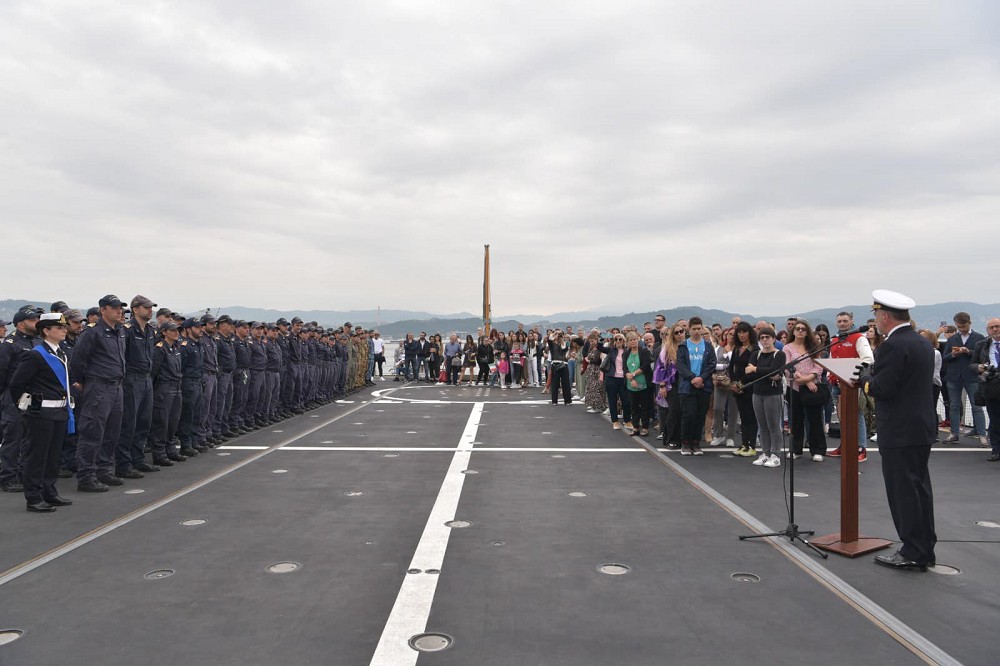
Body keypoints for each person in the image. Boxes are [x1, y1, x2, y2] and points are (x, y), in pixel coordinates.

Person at [857, 290, 936, 571]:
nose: (876, 321)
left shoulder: (892, 345)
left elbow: (883, 389)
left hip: (900, 429)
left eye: (877, 315)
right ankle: (924, 547)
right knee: (919, 489)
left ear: (886, 316)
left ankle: (912, 550)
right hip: (920, 426)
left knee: (903, 491)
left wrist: (865, 378)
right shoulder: (920, 341)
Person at [7, 313, 76, 512]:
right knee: (37, 456)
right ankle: (34, 497)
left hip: (59, 412)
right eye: (59, 327)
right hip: (41, 414)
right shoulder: (36, 355)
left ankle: (49, 492)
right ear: (46, 330)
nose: (64, 330)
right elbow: (17, 384)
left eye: (64, 327)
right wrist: (26, 408)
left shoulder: (60, 353)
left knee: (53, 456)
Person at [70, 295, 127, 492]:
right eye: (114, 308)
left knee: (112, 432)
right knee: (92, 431)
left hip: (116, 386)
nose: (119, 311)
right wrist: (83, 382)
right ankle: (86, 476)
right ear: (103, 310)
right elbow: (77, 360)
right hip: (99, 386)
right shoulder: (93, 332)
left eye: (120, 308)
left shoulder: (119, 331)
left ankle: (105, 470)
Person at [0, 307, 42, 493]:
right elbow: (2, 371)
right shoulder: (10, 343)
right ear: (20, 323)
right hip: (14, 395)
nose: (36, 322)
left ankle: (24, 472)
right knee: (13, 437)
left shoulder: (37, 341)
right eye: (33, 319)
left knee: (30, 437)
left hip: (33, 395)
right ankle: (8, 477)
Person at [116, 295, 158, 479]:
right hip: (131, 379)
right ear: (135, 309)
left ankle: (138, 459)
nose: (150, 310)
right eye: (146, 307)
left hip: (146, 378)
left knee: (143, 422)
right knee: (129, 423)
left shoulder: (150, 330)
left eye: (151, 307)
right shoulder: (127, 330)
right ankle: (124, 464)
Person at [827, 312, 874, 462]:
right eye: (839, 321)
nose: (842, 323)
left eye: (845, 321)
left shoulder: (859, 338)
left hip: (852, 384)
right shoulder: (834, 339)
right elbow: (831, 359)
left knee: (856, 416)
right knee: (842, 416)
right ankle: (845, 445)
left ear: (851, 321)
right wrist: (830, 375)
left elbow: (868, 358)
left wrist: (853, 374)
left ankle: (861, 448)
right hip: (836, 383)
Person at [784, 319, 828, 461]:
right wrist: (803, 380)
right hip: (794, 388)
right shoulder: (787, 348)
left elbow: (819, 366)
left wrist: (809, 379)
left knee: (814, 419)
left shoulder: (813, 347)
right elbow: (788, 366)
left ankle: (818, 450)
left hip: (813, 388)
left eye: (803, 329)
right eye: (798, 329)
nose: (801, 331)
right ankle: (796, 449)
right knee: (796, 420)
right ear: (793, 331)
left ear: (807, 331)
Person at [941, 312, 987, 445]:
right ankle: (954, 433)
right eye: (959, 327)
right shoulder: (952, 339)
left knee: (976, 406)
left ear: (969, 323)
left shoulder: (979, 338)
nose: (962, 329)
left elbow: (982, 358)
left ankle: (982, 434)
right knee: (954, 406)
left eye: (963, 326)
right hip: (954, 376)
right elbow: (945, 357)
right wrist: (954, 354)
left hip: (971, 376)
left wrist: (969, 352)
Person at [744, 327, 785, 467]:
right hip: (757, 392)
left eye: (768, 337)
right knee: (762, 426)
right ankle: (765, 453)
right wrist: (766, 373)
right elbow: (748, 373)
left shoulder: (779, 354)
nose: (765, 340)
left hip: (773, 393)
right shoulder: (755, 354)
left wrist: (756, 369)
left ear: (774, 338)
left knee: (773, 425)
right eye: (762, 337)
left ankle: (776, 454)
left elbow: (775, 370)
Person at [676, 317, 715, 456]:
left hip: (704, 385)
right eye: (694, 329)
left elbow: (712, 364)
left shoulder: (708, 346)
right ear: (689, 329)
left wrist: (701, 377)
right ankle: (685, 442)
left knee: (700, 415)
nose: (697, 331)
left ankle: (696, 442)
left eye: (699, 328)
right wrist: (692, 378)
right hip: (687, 386)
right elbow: (680, 365)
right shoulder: (683, 346)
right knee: (689, 414)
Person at [970, 318, 1000, 461]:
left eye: (997, 326)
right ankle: (996, 450)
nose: (995, 329)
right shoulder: (981, 345)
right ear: (988, 330)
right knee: (994, 419)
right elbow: (972, 364)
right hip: (991, 385)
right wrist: (979, 368)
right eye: (992, 327)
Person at [728, 322, 759, 457]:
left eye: (744, 332)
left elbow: (752, 370)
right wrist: (734, 382)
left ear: (749, 333)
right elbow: (731, 367)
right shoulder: (736, 349)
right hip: (737, 388)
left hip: (750, 387)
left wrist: (741, 384)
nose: (741, 335)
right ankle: (744, 443)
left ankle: (751, 445)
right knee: (744, 417)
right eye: (739, 332)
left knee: (751, 417)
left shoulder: (755, 349)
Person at [624, 332, 653, 436]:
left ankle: (645, 427)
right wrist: (630, 378)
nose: (633, 341)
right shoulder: (626, 353)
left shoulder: (644, 352)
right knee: (634, 406)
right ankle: (635, 427)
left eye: (635, 339)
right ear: (627, 342)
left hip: (643, 382)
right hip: (631, 384)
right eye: (630, 340)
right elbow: (625, 367)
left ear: (638, 340)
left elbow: (645, 365)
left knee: (645, 406)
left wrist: (633, 374)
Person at [583, 331, 608, 415]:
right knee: (591, 388)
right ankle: (593, 405)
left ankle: (599, 406)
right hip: (590, 370)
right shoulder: (591, 348)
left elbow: (598, 361)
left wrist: (589, 360)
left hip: (597, 370)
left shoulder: (600, 349)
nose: (591, 342)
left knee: (597, 388)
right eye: (590, 341)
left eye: (593, 341)